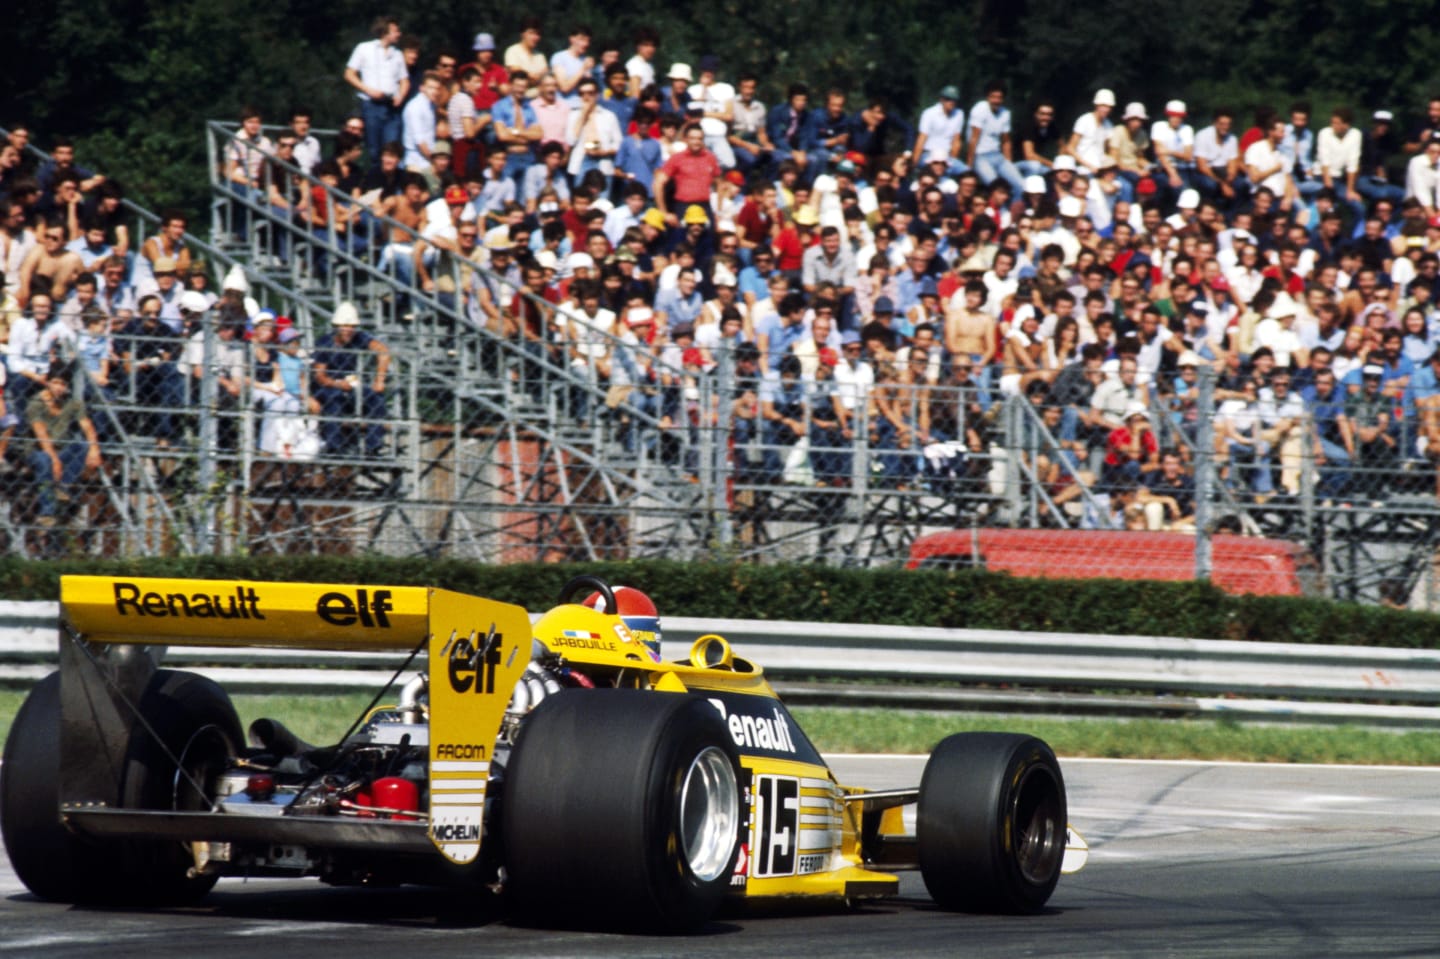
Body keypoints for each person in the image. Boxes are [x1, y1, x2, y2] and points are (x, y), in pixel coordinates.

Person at [24, 360, 102, 530]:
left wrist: (95, 448)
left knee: (81, 446)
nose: (59, 387)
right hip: (38, 451)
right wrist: (55, 461)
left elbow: (87, 425)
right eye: (55, 382)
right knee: (44, 460)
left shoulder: (72, 402)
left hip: (61, 450)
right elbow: (41, 434)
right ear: (48, 382)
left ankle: (63, 487)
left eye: (63, 384)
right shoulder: (36, 403)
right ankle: (47, 511)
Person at [310, 302, 391, 458]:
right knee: (334, 398)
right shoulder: (324, 343)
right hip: (328, 386)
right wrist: (338, 384)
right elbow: (320, 376)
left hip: (349, 385)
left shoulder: (358, 337)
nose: (348, 330)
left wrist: (379, 380)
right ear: (336, 326)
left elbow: (383, 351)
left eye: (352, 326)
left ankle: (373, 447)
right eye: (344, 326)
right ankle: (334, 447)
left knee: (375, 398)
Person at [345, 16, 409, 167]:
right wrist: (368, 90)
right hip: (371, 105)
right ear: (385, 32)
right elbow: (349, 74)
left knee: (391, 147)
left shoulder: (397, 54)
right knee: (374, 150)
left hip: (390, 107)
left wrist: (400, 96)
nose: (398, 34)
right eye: (395, 31)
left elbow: (404, 80)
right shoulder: (364, 48)